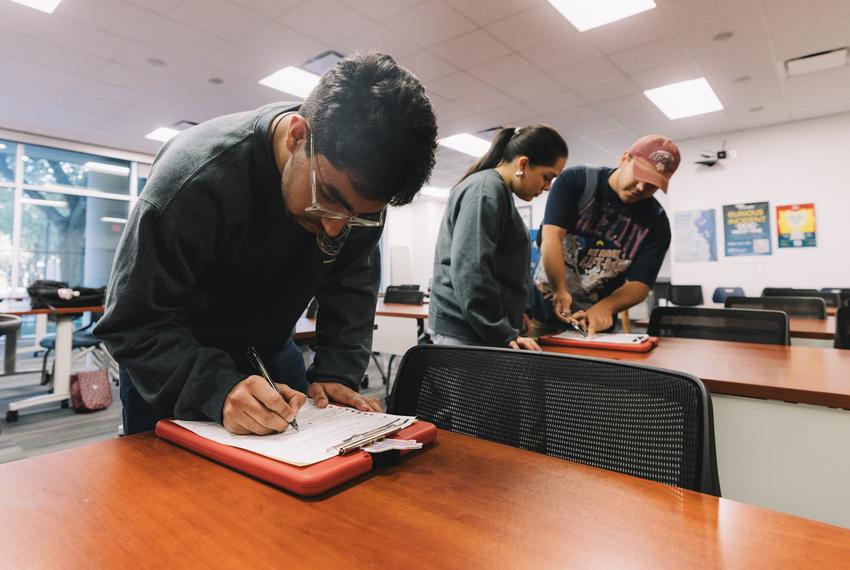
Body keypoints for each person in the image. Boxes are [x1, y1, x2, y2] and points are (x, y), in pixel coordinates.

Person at [94, 53, 438, 435]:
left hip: (269, 352)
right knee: (168, 492)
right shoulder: (193, 182)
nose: (336, 226)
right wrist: (217, 389)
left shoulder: (357, 199)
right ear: (297, 136)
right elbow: (131, 323)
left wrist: (336, 372)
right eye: (326, 196)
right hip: (170, 364)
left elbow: (351, 286)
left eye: (357, 216)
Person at [429, 125, 568, 350]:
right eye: (547, 177)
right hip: (468, 330)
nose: (548, 187)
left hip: (481, 328)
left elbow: (501, 267)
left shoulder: (498, 192)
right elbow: (472, 271)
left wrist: (517, 312)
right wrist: (501, 330)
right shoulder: (485, 191)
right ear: (523, 164)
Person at [528, 134, 680, 337]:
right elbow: (552, 237)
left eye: (652, 185)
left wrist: (607, 307)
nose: (641, 188)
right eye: (640, 175)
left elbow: (640, 284)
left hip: (593, 326)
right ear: (625, 159)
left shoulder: (657, 224)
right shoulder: (577, 181)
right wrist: (559, 291)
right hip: (539, 315)